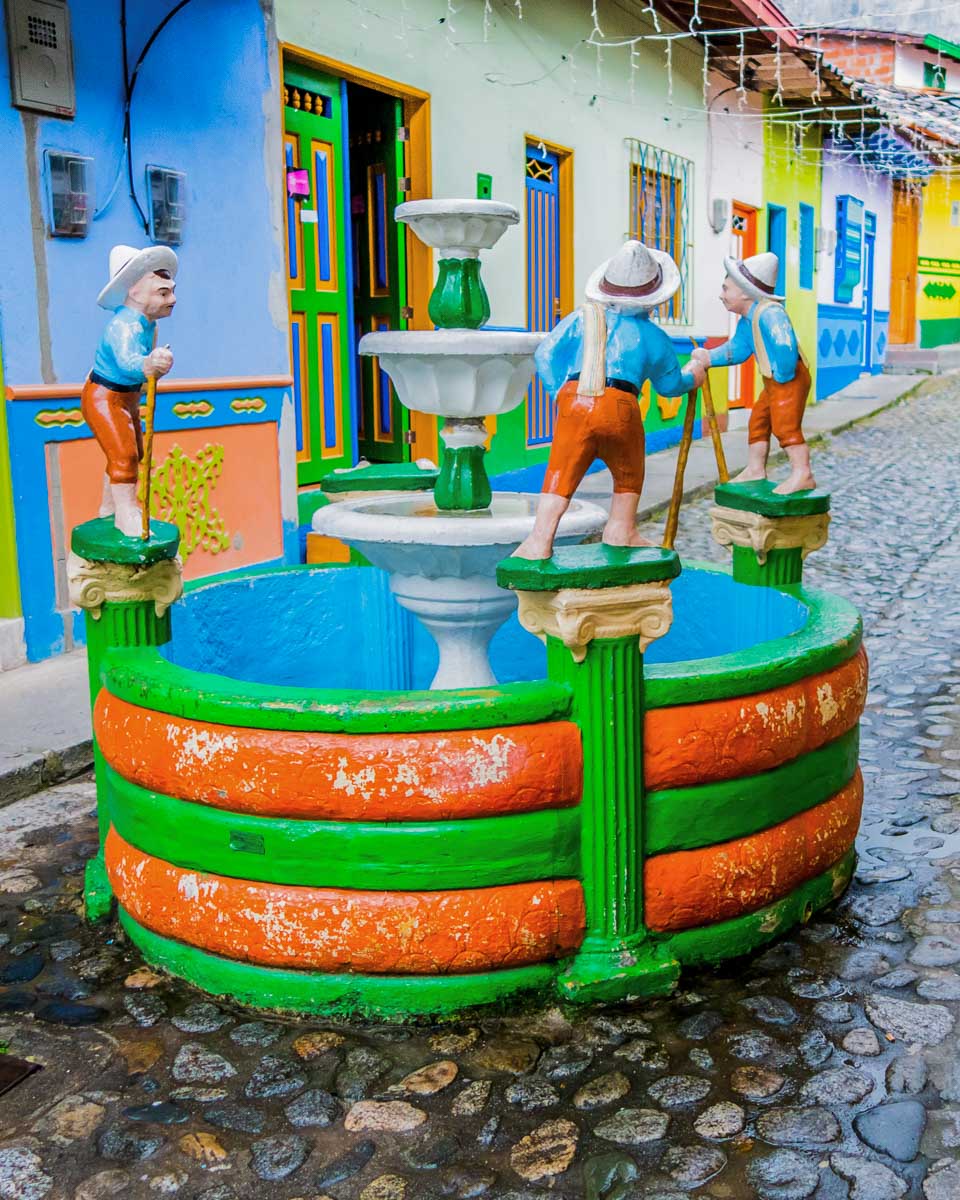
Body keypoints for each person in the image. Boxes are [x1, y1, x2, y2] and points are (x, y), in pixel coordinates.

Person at [512, 240, 704, 561]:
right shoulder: (653, 336)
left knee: (560, 470)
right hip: (621, 404)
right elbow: (670, 386)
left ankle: (539, 539)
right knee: (629, 470)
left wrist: (560, 394)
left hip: (576, 399)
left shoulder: (581, 318)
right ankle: (621, 530)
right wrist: (694, 374)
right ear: (653, 298)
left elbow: (545, 355)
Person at [689, 251, 815, 495]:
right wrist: (709, 357)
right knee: (758, 421)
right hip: (774, 381)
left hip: (789, 379)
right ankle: (756, 469)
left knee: (785, 427)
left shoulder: (770, 313)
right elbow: (738, 349)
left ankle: (803, 473)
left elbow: (785, 344)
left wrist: (782, 375)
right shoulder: (748, 320)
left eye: (726, 289)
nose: (721, 295)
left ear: (745, 293)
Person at [82, 244, 178, 537]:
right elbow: (127, 362)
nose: (172, 299)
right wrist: (149, 364)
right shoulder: (123, 325)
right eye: (163, 293)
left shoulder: (149, 325)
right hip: (105, 396)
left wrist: (151, 370)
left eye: (171, 291)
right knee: (124, 454)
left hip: (127, 397)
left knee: (131, 451)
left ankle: (110, 508)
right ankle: (126, 515)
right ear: (135, 292)